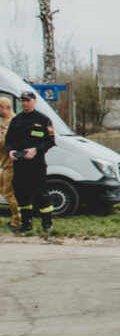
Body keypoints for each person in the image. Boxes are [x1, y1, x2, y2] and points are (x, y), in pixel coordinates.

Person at [6, 90, 56, 232]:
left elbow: (50, 141)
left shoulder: (43, 120)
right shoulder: (16, 120)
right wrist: (11, 151)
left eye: (27, 100)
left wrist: (36, 150)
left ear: (34, 101)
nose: (24, 103)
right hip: (20, 164)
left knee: (41, 193)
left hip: (36, 164)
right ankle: (26, 223)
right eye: (22, 100)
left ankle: (47, 223)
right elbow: (8, 140)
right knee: (22, 194)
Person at [0, 96, 22, 229]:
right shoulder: (5, 122)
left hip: (11, 164)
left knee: (9, 193)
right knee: (2, 188)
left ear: (3, 107)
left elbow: (4, 141)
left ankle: (18, 221)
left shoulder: (12, 121)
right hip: (5, 163)